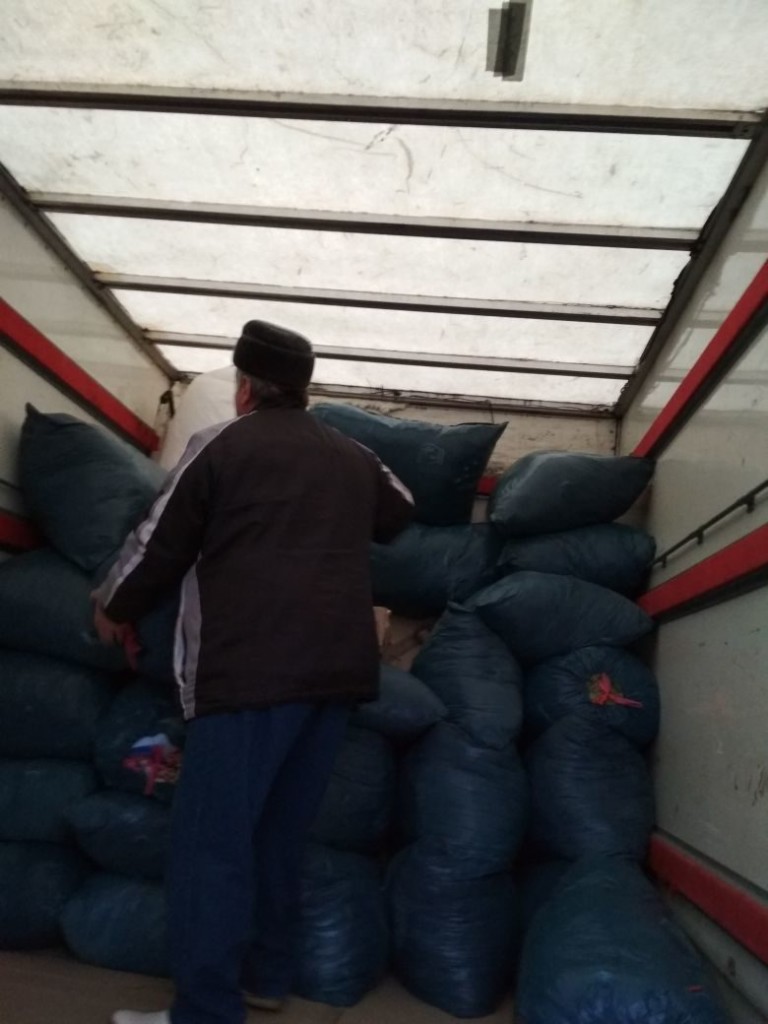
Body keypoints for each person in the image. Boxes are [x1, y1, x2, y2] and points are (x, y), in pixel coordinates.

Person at [93, 320, 414, 1024]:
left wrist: (112, 604)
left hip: (246, 674)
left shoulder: (222, 445)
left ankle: (205, 1012)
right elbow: (401, 510)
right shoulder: (352, 453)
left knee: (212, 846)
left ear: (244, 387)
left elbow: (156, 543)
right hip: (333, 680)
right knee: (278, 837)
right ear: (303, 391)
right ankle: (266, 977)